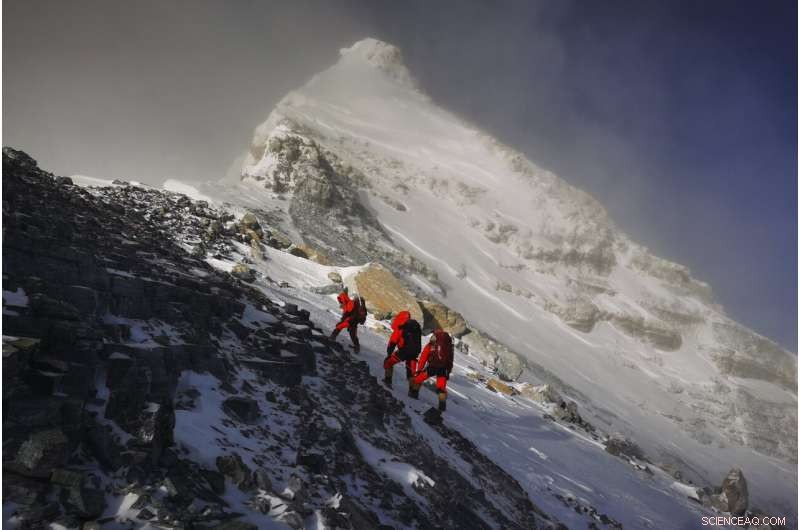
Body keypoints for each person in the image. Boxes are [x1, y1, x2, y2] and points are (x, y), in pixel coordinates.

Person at [408, 328, 454, 411]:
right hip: (443, 368)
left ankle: (413, 395)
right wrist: (448, 371)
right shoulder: (448, 345)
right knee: (441, 388)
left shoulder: (432, 344)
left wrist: (419, 369)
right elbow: (450, 359)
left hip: (433, 367)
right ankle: (442, 407)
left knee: (418, 379)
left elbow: (423, 357)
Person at [383, 310, 422, 386]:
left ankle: (388, 381)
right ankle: (413, 393)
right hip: (414, 353)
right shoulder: (415, 326)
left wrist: (389, 354)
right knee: (411, 374)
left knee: (388, 363)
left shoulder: (401, 326)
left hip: (403, 352)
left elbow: (393, 342)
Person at [330, 288, 361, 353]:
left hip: (350, 320)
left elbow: (347, 313)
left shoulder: (351, 303)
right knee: (353, 334)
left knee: (339, 326)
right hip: (354, 321)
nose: (340, 303)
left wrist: (342, 320)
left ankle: (332, 338)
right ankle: (357, 347)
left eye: (341, 301)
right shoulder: (354, 303)